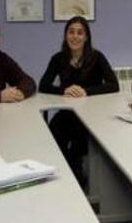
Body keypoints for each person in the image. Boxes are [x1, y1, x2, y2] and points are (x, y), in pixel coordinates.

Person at [38, 16, 119, 184]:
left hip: (91, 114)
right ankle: (65, 176)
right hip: (67, 112)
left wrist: (86, 91)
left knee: (77, 144)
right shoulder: (58, 58)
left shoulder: (97, 57)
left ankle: (77, 179)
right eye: (71, 32)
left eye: (80, 33)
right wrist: (64, 90)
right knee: (53, 135)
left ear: (86, 37)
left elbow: (113, 85)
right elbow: (43, 85)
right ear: (66, 35)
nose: (75, 37)